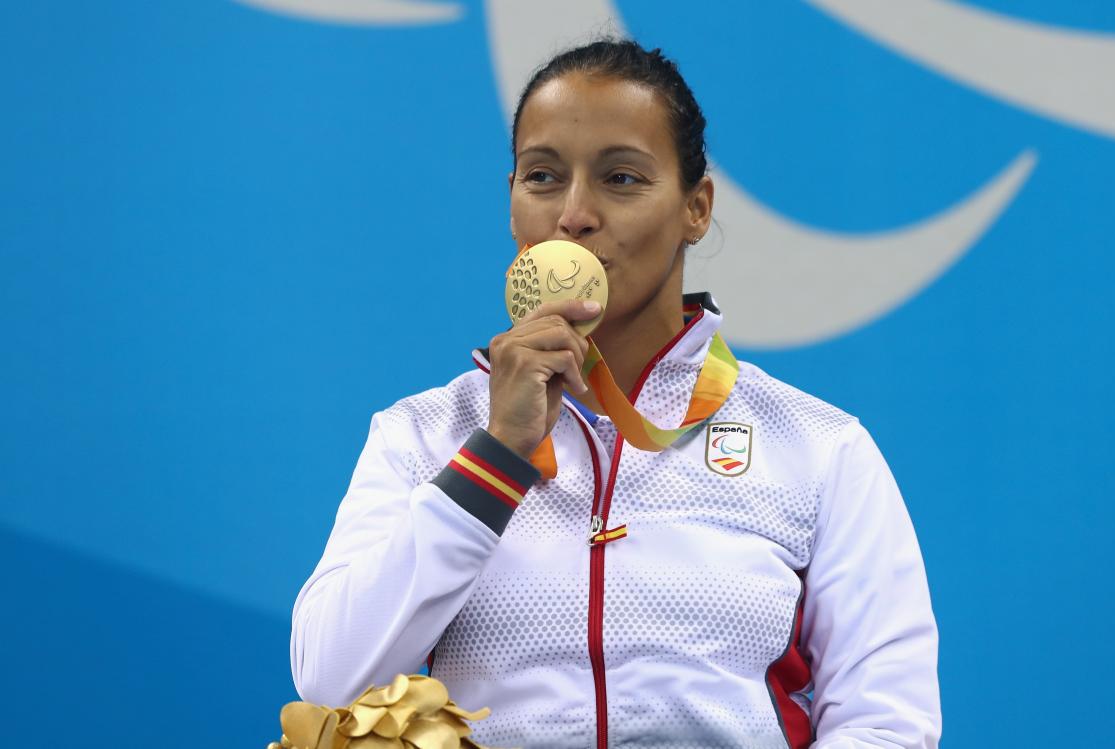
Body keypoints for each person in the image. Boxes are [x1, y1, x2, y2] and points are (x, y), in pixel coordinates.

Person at [290, 39, 941, 749]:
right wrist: (496, 457)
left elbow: (886, 723)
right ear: (512, 205)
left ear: (697, 208)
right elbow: (329, 677)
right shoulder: (420, 435)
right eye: (542, 177)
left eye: (621, 179)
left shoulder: (817, 447)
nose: (574, 214)